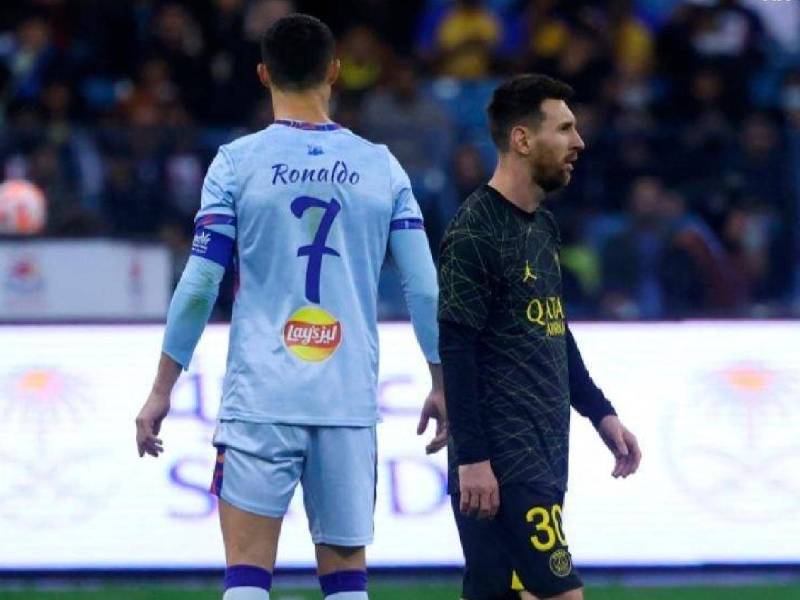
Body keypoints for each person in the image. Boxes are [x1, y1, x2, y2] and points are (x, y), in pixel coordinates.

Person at [134, 14, 447, 600]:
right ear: (335, 71)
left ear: (261, 74)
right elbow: (424, 286)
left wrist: (160, 391)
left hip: (261, 398)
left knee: (248, 579)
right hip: (347, 400)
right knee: (348, 586)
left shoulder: (235, 162)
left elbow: (200, 284)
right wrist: (439, 376)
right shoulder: (382, 165)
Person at [437, 74, 642, 600]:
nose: (579, 142)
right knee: (559, 593)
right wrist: (474, 462)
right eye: (565, 129)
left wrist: (600, 411)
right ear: (523, 139)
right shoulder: (474, 232)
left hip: (543, 452)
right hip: (505, 462)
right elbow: (456, 349)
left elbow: (552, 329)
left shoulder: (541, 226)